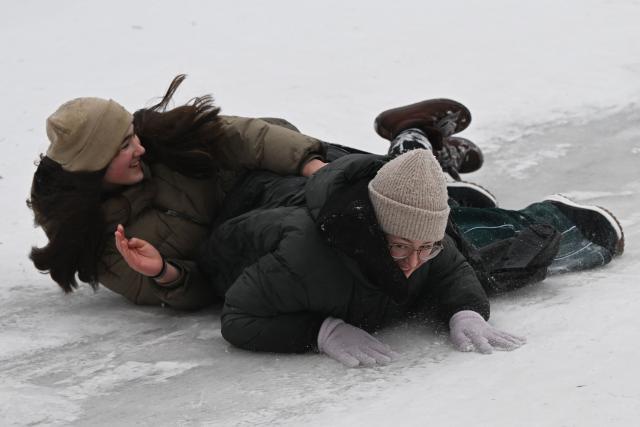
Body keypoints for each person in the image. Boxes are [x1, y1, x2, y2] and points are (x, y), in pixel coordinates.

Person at [197, 135, 624, 366]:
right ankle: (415, 145)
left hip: (340, 185)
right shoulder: (304, 256)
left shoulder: (422, 246)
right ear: (373, 230)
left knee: (469, 255)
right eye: (400, 247)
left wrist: (465, 310)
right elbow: (239, 317)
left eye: (427, 247)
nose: (414, 262)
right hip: (242, 193)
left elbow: (453, 270)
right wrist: (320, 331)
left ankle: (421, 152)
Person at [28, 75, 330, 309]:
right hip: (254, 237)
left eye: (132, 136)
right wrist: (163, 272)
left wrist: (309, 164)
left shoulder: (160, 137)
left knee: (349, 177)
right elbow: (206, 287)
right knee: (325, 228)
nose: (140, 148)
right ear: (94, 167)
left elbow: (243, 136)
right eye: (124, 146)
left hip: (267, 174)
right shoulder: (96, 243)